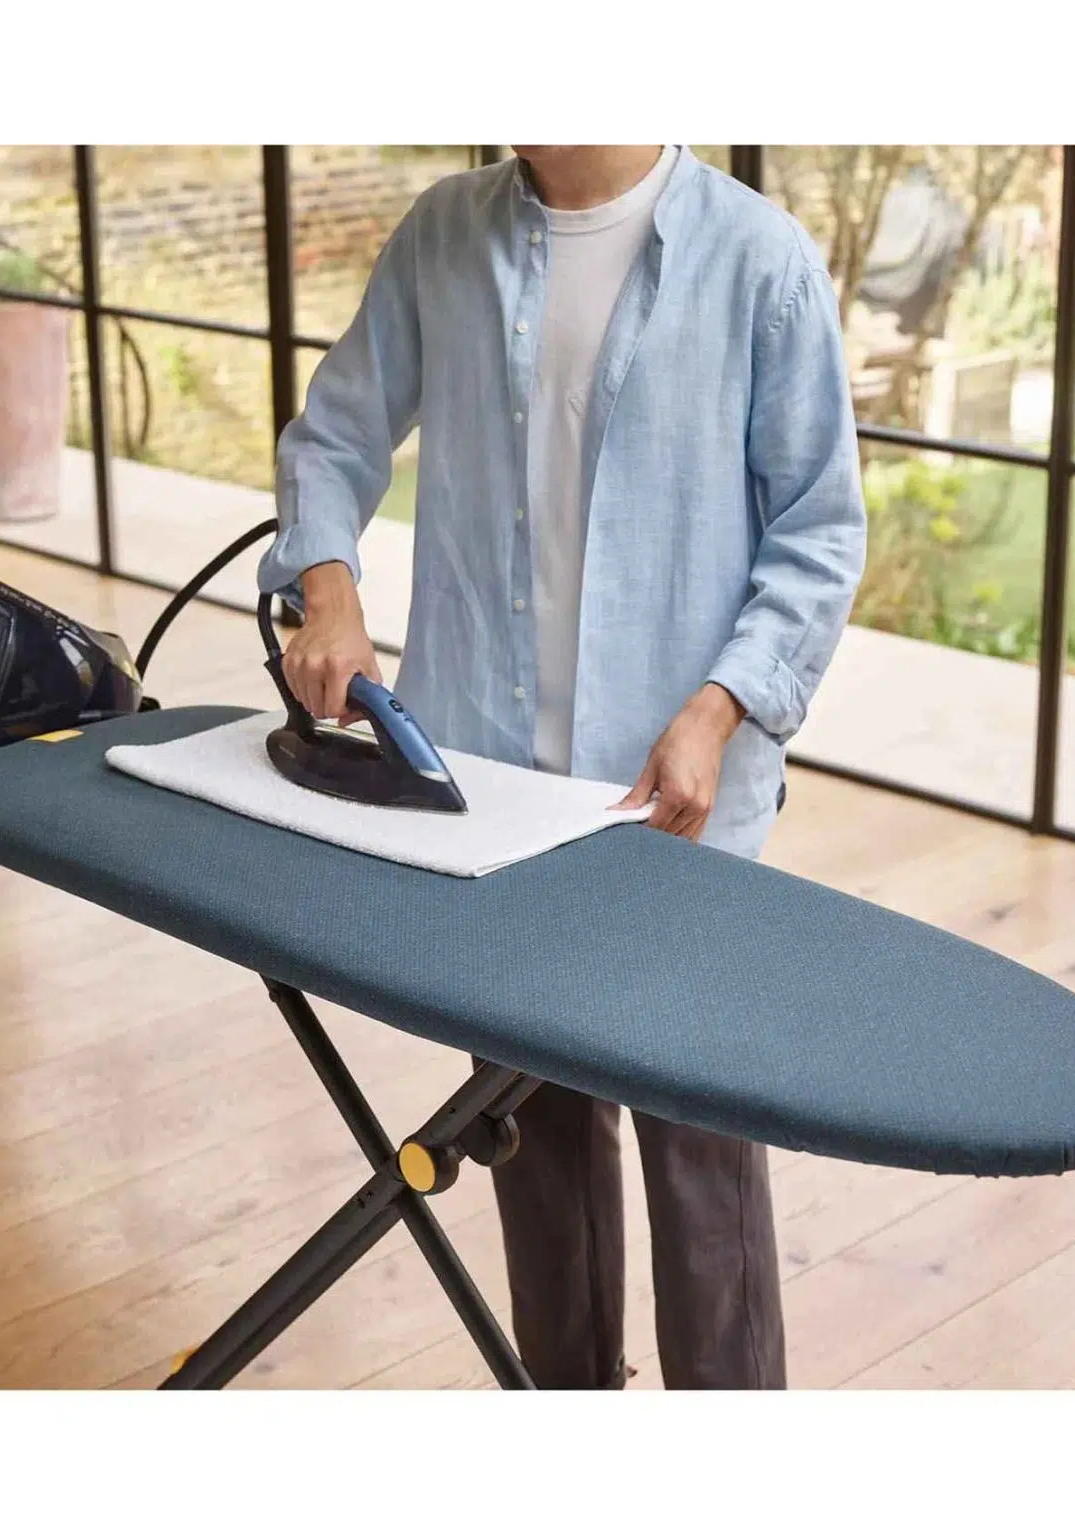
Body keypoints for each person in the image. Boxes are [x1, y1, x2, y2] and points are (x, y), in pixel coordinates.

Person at [258, 144, 867, 1390]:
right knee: (531, 1142)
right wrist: (329, 592)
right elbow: (334, 437)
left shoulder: (760, 262)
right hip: (490, 797)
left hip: (673, 810)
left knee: (700, 1159)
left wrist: (718, 710)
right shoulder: (443, 235)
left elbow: (817, 533)